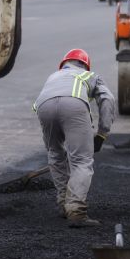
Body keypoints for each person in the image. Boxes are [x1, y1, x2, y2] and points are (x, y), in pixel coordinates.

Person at [34, 49, 116, 227]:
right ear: (85, 65)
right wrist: (102, 133)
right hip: (74, 105)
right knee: (81, 161)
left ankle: (64, 205)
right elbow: (107, 99)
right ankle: (76, 211)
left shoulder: (53, 76)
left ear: (63, 64)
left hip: (43, 106)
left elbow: (44, 101)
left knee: (55, 154)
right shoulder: (89, 75)